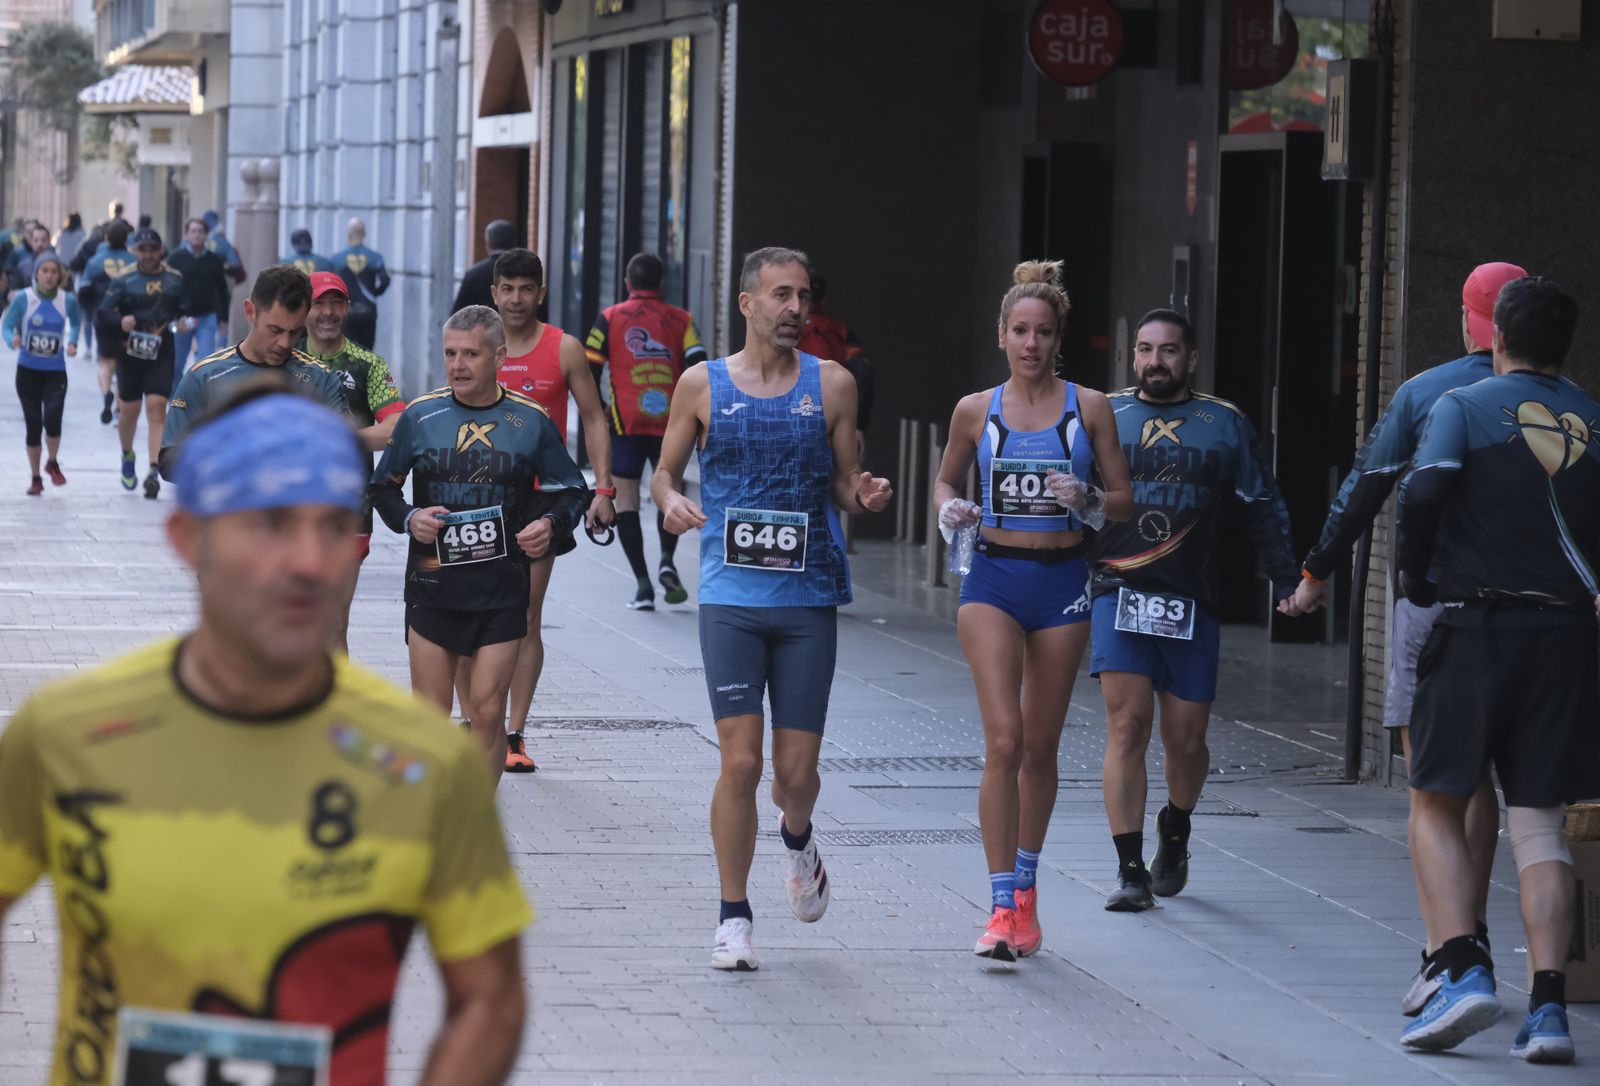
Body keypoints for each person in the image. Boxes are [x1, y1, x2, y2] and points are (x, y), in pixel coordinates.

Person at [0, 386, 531, 1086]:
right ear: (188, 537)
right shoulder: (68, 733)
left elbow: (491, 1000)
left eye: (331, 525)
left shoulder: (426, 763)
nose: (310, 561)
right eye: (271, 524)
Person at [1291, 261, 1527, 1016]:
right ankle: (1476, 933)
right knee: (1485, 776)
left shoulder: (1428, 392)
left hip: (1436, 599)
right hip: (1533, 610)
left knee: (1431, 781)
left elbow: (1368, 483)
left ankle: (1444, 950)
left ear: (1468, 318)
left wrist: (1316, 568)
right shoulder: (1556, 397)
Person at [651, 246, 892, 971]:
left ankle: (797, 835)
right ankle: (733, 915)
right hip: (729, 595)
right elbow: (664, 472)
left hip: (808, 597)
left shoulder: (835, 385)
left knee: (795, 774)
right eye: (781, 295)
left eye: (803, 297)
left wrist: (865, 495)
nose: (796, 309)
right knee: (741, 761)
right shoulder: (701, 384)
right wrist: (670, 503)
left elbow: (847, 481)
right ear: (747, 304)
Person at [1397, 276, 1598, 1061]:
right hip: (1564, 639)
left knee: (1436, 800)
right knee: (1539, 823)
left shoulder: (1464, 406)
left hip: (1476, 628)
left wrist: (1419, 577)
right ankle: (1548, 1008)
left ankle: (1460, 968)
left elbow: (1425, 493)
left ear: (1496, 340)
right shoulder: (1592, 416)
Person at [932, 260, 1133, 960]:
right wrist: (948, 510)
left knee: (1040, 749)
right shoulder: (974, 409)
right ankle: (995, 906)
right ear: (1001, 335)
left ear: (1059, 338)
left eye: (1043, 332)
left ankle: (1025, 895)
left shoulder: (1092, 408)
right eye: (1020, 331)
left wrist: (1087, 502)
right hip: (993, 579)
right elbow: (946, 479)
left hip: (1062, 585)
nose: (1031, 344)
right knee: (1004, 741)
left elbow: (1124, 501)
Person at [1090, 308, 1304, 912]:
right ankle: (1130, 871)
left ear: (1192, 358)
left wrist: (1288, 577)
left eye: (1169, 350)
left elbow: (1262, 503)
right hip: (1118, 591)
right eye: (1145, 349)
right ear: (1133, 356)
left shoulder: (1224, 422)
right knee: (1127, 727)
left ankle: (1175, 829)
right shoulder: (1103, 412)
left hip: (1194, 601)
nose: (1156, 361)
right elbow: (1076, 498)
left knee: (1186, 741)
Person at [370, 305, 589, 785]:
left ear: (500, 356)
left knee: (488, 713)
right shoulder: (421, 415)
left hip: (501, 588)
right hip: (433, 583)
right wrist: (409, 517)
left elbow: (573, 490)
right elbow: (381, 488)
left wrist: (551, 523)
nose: (458, 365)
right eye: (450, 353)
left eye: (471, 354)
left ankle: (476, 821)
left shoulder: (529, 421)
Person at [469, 248, 614, 774]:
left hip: (541, 500)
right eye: (507, 288)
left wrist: (604, 490)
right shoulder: (479, 344)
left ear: (541, 292)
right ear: (494, 293)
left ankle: (512, 733)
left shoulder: (566, 349)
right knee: (473, 613)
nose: (516, 298)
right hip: (479, 495)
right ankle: (475, 721)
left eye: (526, 289)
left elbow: (594, 419)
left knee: (526, 616)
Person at [585, 251, 707, 610]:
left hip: (625, 421)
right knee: (670, 488)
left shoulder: (609, 317)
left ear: (627, 283)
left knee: (626, 500)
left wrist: (600, 408)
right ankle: (668, 560)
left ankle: (642, 587)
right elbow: (699, 364)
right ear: (662, 284)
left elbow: (591, 367)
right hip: (672, 420)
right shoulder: (682, 319)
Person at [161, 263, 350, 481]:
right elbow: (169, 462)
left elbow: (343, 453)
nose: (285, 342)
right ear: (250, 312)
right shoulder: (203, 376)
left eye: (296, 332)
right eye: (275, 330)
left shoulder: (321, 379)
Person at [302, 270, 406, 651]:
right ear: (305, 309)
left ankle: (329, 708)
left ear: (347, 308)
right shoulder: (284, 358)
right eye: (319, 303)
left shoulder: (367, 365)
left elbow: (396, 426)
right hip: (287, 508)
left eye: (336, 303)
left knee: (332, 621)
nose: (328, 312)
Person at [101, 227, 187, 499]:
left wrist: (183, 321)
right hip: (130, 351)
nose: (148, 255)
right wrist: (120, 322)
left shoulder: (174, 279)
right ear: (135, 251)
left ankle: (153, 469)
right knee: (129, 411)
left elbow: (185, 308)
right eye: (143, 249)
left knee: (157, 407)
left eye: (153, 249)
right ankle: (127, 455)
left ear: (161, 250)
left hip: (161, 351)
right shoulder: (124, 279)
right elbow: (102, 313)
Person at [3, 252, 80, 494]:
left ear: (60, 275)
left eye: (53, 271)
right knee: (34, 423)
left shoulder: (67, 300)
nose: (49, 276)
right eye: (44, 271)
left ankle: (52, 461)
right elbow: (6, 325)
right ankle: (36, 477)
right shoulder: (24, 299)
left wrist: (73, 341)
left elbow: (76, 323)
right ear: (36, 273)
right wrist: (11, 339)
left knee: (54, 419)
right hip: (28, 371)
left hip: (55, 371)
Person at [797, 272, 875, 461]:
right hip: (830, 420)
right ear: (824, 299)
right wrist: (858, 427)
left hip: (792, 418)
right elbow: (863, 373)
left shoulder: (786, 332)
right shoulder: (840, 332)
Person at [81, 219, 137, 424]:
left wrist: (91, 311)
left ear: (106, 238)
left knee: (106, 362)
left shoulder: (96, 260)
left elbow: (84, 290)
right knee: (124, 363)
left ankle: (106, 392)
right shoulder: (133, 260)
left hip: (103, 316)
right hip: (127, 319)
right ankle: (119, 408)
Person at [165, 217, 231, 389]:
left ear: (206, 235)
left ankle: (200, 400)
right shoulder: (176, 258)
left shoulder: (214, 260)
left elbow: (223, 291)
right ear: (186, 235)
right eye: (193, 231)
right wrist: (169, 316)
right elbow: (167, 289)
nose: (196, 235)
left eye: (200, 231)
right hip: (182, 318)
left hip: (207, 316)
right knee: (177, 363)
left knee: (205, 362)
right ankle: (175, 399)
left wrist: (224, 319)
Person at [332, 216, 391, 350]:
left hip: (346, 311)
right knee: (367, 351)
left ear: (349, 234)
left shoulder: (337, 259)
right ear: (364, 234)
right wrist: (375, 292)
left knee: (348, 351)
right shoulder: (375, 257)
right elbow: (385, 280)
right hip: (368, 311)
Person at [201, 209, 248, 341]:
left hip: (200, 286)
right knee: (222, 314)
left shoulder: (195, 240)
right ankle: (221, 344)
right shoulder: (223, 243)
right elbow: (235, 264)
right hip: (222, 283)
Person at [454, 219, 517, 313]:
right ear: (514, 243)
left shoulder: (473, 275)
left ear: (488, 244)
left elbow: (457, 315)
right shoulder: (528, 274)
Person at [53, 211, 85, 283]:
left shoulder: (60, 233)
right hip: (75, 266)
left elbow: (54, 246)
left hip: (62, 264)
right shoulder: (83, 234)